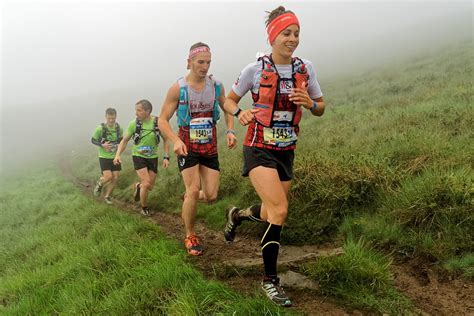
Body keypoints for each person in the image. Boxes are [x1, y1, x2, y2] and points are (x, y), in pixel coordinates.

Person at [222, 6, 326, 307]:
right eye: (286, 34)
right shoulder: (254, 70)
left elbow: (321, 107)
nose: (292, 39)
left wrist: (310, 103)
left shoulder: (305, 69)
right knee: (280, 211)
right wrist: (240, 113)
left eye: (296, 34)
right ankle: (269, 281)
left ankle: (238, 214)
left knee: (270, 212)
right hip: (258, 147)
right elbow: (228, 101)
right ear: (273, 36)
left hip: (286, 150)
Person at [159, 42, 237, 256]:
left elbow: (227, 106)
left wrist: (230, 130)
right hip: (186, 144)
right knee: (193, 190)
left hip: (209, 144)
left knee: (211, 196)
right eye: (200, 62)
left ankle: (188, 200)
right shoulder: (178, 88)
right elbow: (162, 120)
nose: (205, 67)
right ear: (189, 62)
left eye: (208, 62)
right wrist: (175, 140)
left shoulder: (216, 85)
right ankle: (190, 235)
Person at [113, 99, 170, 215]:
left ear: (147, 111)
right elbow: (124, 141)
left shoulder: (158, 122)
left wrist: (166, 157)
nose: (136, 113)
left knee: (150, 186)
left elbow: (166, 140)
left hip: (152, 157)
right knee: (147, 182)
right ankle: (144, 208)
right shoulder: (134, 123)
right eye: (136, 110)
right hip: (138, 156)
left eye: (139, 110)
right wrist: (117, 155)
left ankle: (139, 187)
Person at [91, 107, 123, 204]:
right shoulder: (100, 128)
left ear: (116, 117)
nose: (111, 120)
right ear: (106, 117)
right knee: (108, 177)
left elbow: (122, 140)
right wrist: (102, 145)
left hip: (115, 156)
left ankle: (107, 196)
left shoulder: (119, 128)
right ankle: (100, 184)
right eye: (109, 118)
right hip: (104, 156)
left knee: (115, 177)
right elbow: (93, 140)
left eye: (113, 118)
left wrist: (118, 145)